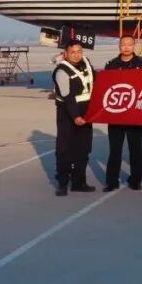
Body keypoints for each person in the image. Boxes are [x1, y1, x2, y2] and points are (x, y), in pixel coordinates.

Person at [102, 34, 142, 192]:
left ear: (134, 46)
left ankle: (135, 180)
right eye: (123, 44)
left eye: (129, 44)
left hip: (135, 115)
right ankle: (111, 181)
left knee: (135, 150)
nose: (126, 47)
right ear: (119, 46)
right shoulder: (111, 65)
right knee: (115, 150)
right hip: (116, 115)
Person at [53, 39, 96, 196]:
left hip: (86, 112)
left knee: (83, 149)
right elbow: (68, 97)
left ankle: (79, 182)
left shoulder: (86, 63)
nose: (76, 55)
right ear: (66, 54)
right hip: (68, 113)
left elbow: (96, 82)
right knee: (64, 149)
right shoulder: (62, 71)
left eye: (79, 52)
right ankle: (62, 183)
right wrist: (76, 116)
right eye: (73, 52)